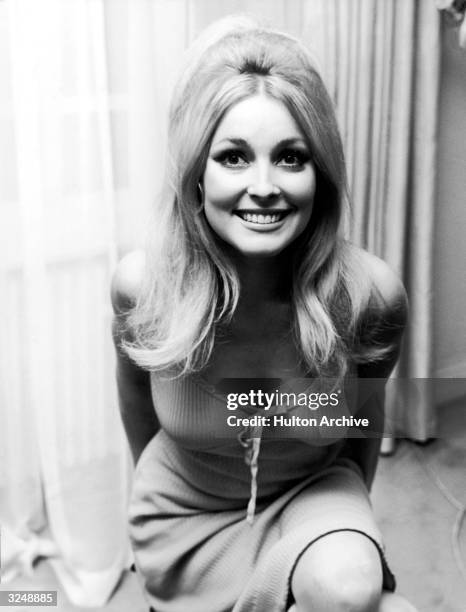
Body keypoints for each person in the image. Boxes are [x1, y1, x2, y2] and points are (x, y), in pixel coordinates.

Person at [111, 16, 417, 612]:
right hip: (184, 514)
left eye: (290, 157)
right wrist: (140, 494)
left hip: (309, 493)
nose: (263, 185)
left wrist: (351, 529)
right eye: (233, 157)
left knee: (352, 590)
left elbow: (364, 424)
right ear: (197, 174)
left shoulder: (372, 295)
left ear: (320, 176)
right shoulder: (143, 286)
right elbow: (135, 403)